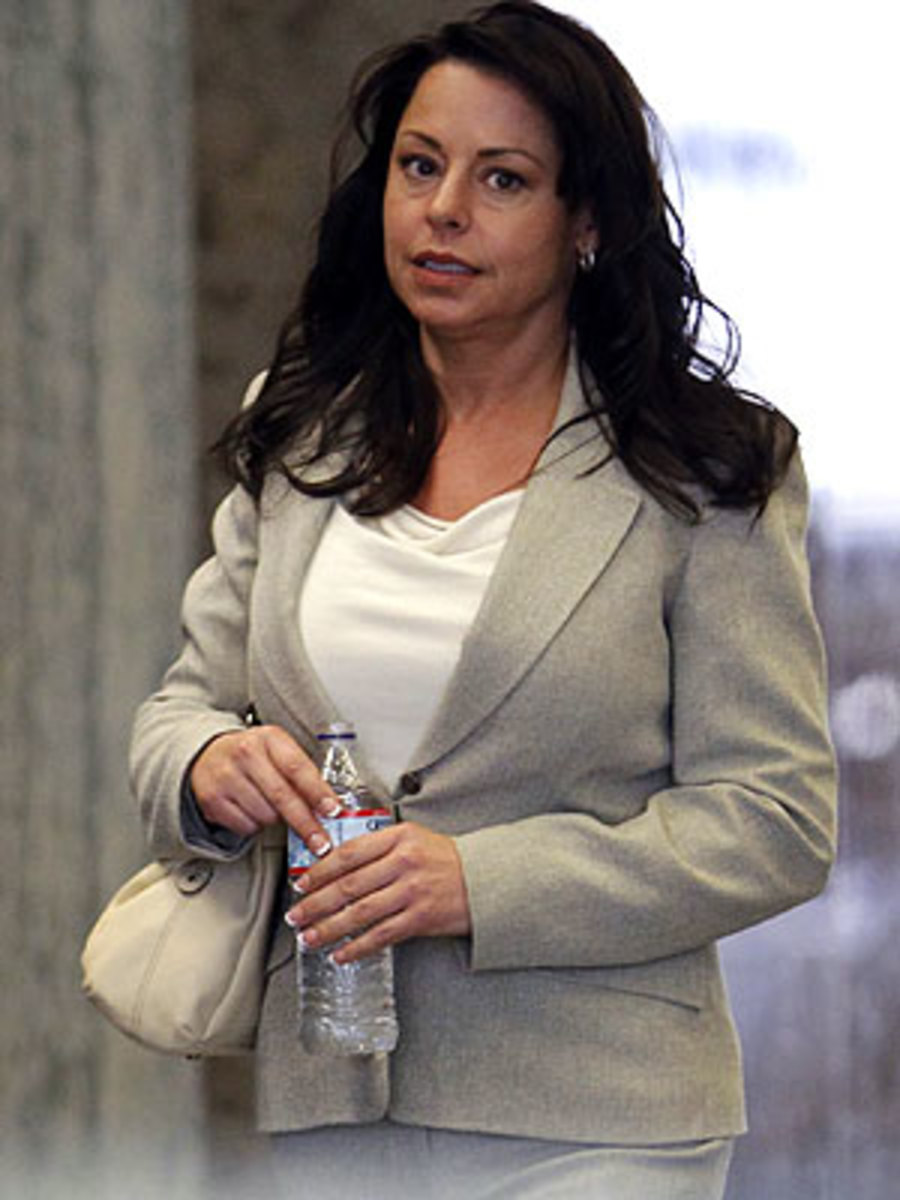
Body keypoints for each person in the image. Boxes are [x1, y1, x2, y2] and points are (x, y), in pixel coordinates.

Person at [130, 2, 837, 1196]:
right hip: (333, 1101)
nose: (444, 208)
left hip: (604, 1115)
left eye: (502, 179)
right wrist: (206, 768)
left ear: (587, 222)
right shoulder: (299, 432)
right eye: (419, 166)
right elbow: (180, 710)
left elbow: (775, 819)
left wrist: (482, 883)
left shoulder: (705, 468)